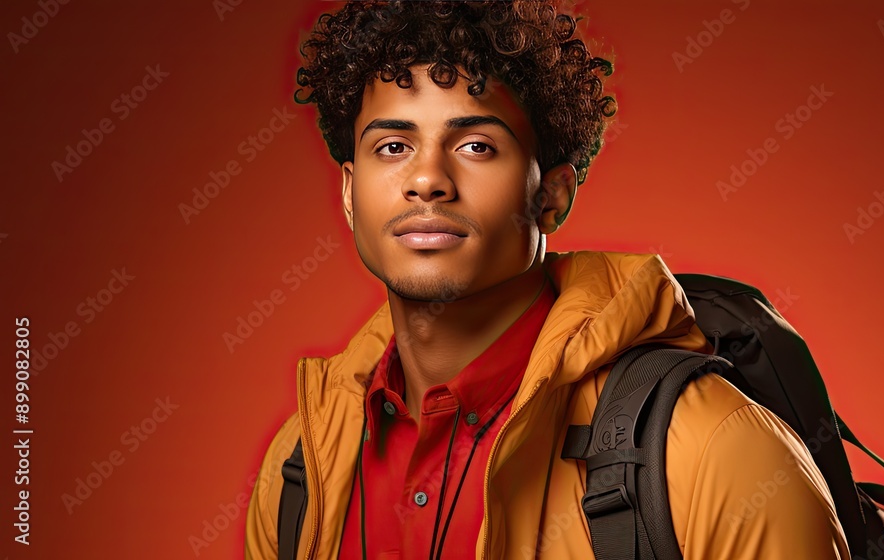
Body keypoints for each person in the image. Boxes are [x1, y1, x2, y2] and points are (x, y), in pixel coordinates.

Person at [246, 1, 851, 558]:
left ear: (551, 197)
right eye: (393, 145)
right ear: (350, 195)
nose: (427, 178)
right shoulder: (300, 467)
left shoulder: (717, 451)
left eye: (477, 145)